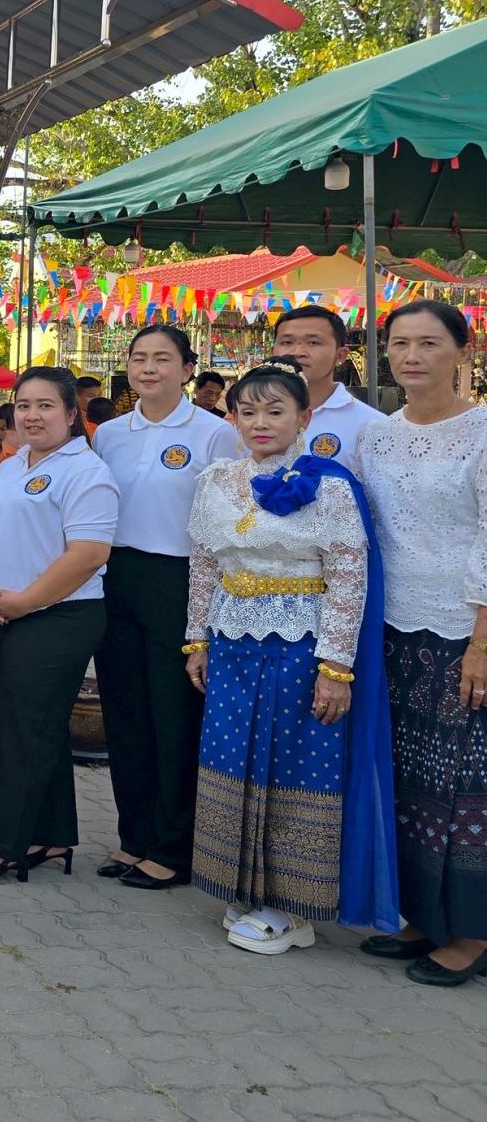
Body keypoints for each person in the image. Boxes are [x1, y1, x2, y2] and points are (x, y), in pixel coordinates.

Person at [182, 357, 394, 954]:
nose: (260, 423)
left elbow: (349, 577)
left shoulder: (328, 484)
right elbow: (204, 564)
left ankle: (294, 908)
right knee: (232, 758)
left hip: (301, 648)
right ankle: (240, 887)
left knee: (296, 765)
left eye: (275, 411)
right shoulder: (216, 481)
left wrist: (336, 667)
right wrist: (196, 639)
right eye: (247, 412)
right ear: (232, 418)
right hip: (230, 643)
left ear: (304, 416)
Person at [0, 368, 115, 885]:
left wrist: (25, 603)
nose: (32, 415)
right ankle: (51, 833)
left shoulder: (88, 473)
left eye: (45, 406)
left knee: (20, 731)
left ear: (71, 414)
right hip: (11, 612)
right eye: (23, 405)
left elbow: (87, 555)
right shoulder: (12, 464)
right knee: (38, 727)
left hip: (60, 617)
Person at [359, 300, 487, 985]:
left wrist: (482, 644)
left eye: (429, 343)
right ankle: (418, 914)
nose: (412, 356)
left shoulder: (483, 432)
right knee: (408, 780)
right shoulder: (376, 436)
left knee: (466, 786)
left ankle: (470, 932)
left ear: (462, 351)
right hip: (391, 626)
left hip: (465, 630)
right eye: (399, 343)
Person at [90, 325, 235, 890]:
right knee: (124, 713)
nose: (148, 368)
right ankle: (134, 838)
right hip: (116, 575)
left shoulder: (214, 433)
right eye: (138, 358)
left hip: (180, 579)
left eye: (161, 359)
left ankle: (174, 847)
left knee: (173, 715)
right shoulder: (110, 435)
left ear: (187, 367)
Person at [266, 304, 382, 465]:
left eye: (313, 342)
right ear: (273, 352)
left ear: (340, 355)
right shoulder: (249, 419)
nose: (297, 352)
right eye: (287, 342)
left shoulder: (372, 426)